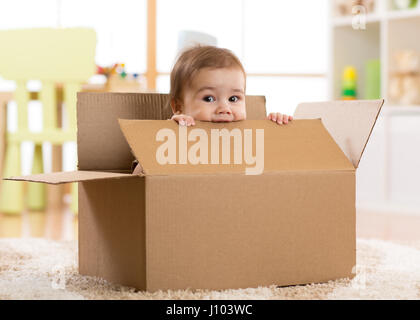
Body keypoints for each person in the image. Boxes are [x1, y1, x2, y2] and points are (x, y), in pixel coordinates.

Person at [168, 45, 293, 126]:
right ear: (179, 106)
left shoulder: (250, 135)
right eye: (209, 98)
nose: (224, 109)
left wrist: (274, 125)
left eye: (233, 98)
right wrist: (174, 125)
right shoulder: (174, 132)